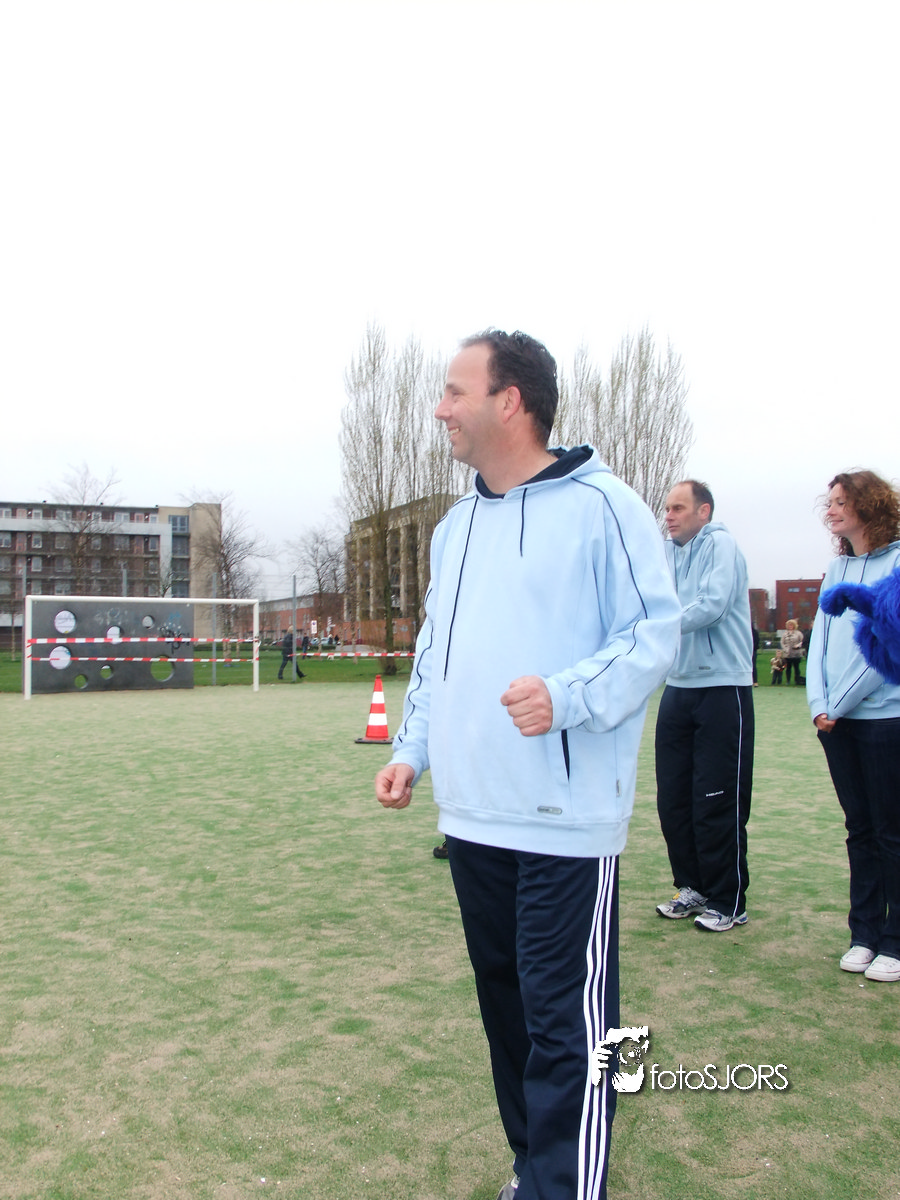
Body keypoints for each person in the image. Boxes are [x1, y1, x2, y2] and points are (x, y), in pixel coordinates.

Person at [374, 329, 681, 1200]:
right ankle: (535, 1174)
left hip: (564, 822)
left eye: (454, 391)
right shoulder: (455, 527)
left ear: (509, 401)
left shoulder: (605, 506)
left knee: (567, 1029)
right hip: (473, 817)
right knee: (508, 1017)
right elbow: (436, 652)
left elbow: (653, 636)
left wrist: (567, 694)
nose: (440, 409)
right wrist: (412, 750)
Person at [806, 469, 900, 983]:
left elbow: (886, 645)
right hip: (835, 722)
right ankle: (863, 934)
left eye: (841, 501)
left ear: (869, 504)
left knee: (891, 832)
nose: (832, 510)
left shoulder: (898, 562)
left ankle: (895, 941)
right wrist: (818, 704)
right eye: (830, 502)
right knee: (859, 830)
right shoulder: (835, 567)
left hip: (885, 719)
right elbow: (820, 641)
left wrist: (837, 704)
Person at [654, 480, 755, 932]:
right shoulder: (666, 553)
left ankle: (728, 899)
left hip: (723, 687)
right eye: (667, 509)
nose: (669, 516)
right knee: (674, 799)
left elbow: (711, 606)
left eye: (678, 508)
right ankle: (692, 887)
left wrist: (655, 626)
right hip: (678, 687)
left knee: (716, 799)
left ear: (704, 511)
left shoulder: (721, 545)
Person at [780, 618, 804, 685]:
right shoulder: (785, 634)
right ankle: (788, 681)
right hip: (788, 653)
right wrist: (785, 649)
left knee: (796, 668)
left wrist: (798, 645)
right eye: (789, 625)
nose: (790, 626)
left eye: (791, 625)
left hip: (796, 653)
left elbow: (802, 641)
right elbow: (782, 642)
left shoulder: (798, 633)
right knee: (788, 668)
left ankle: (797, 680)